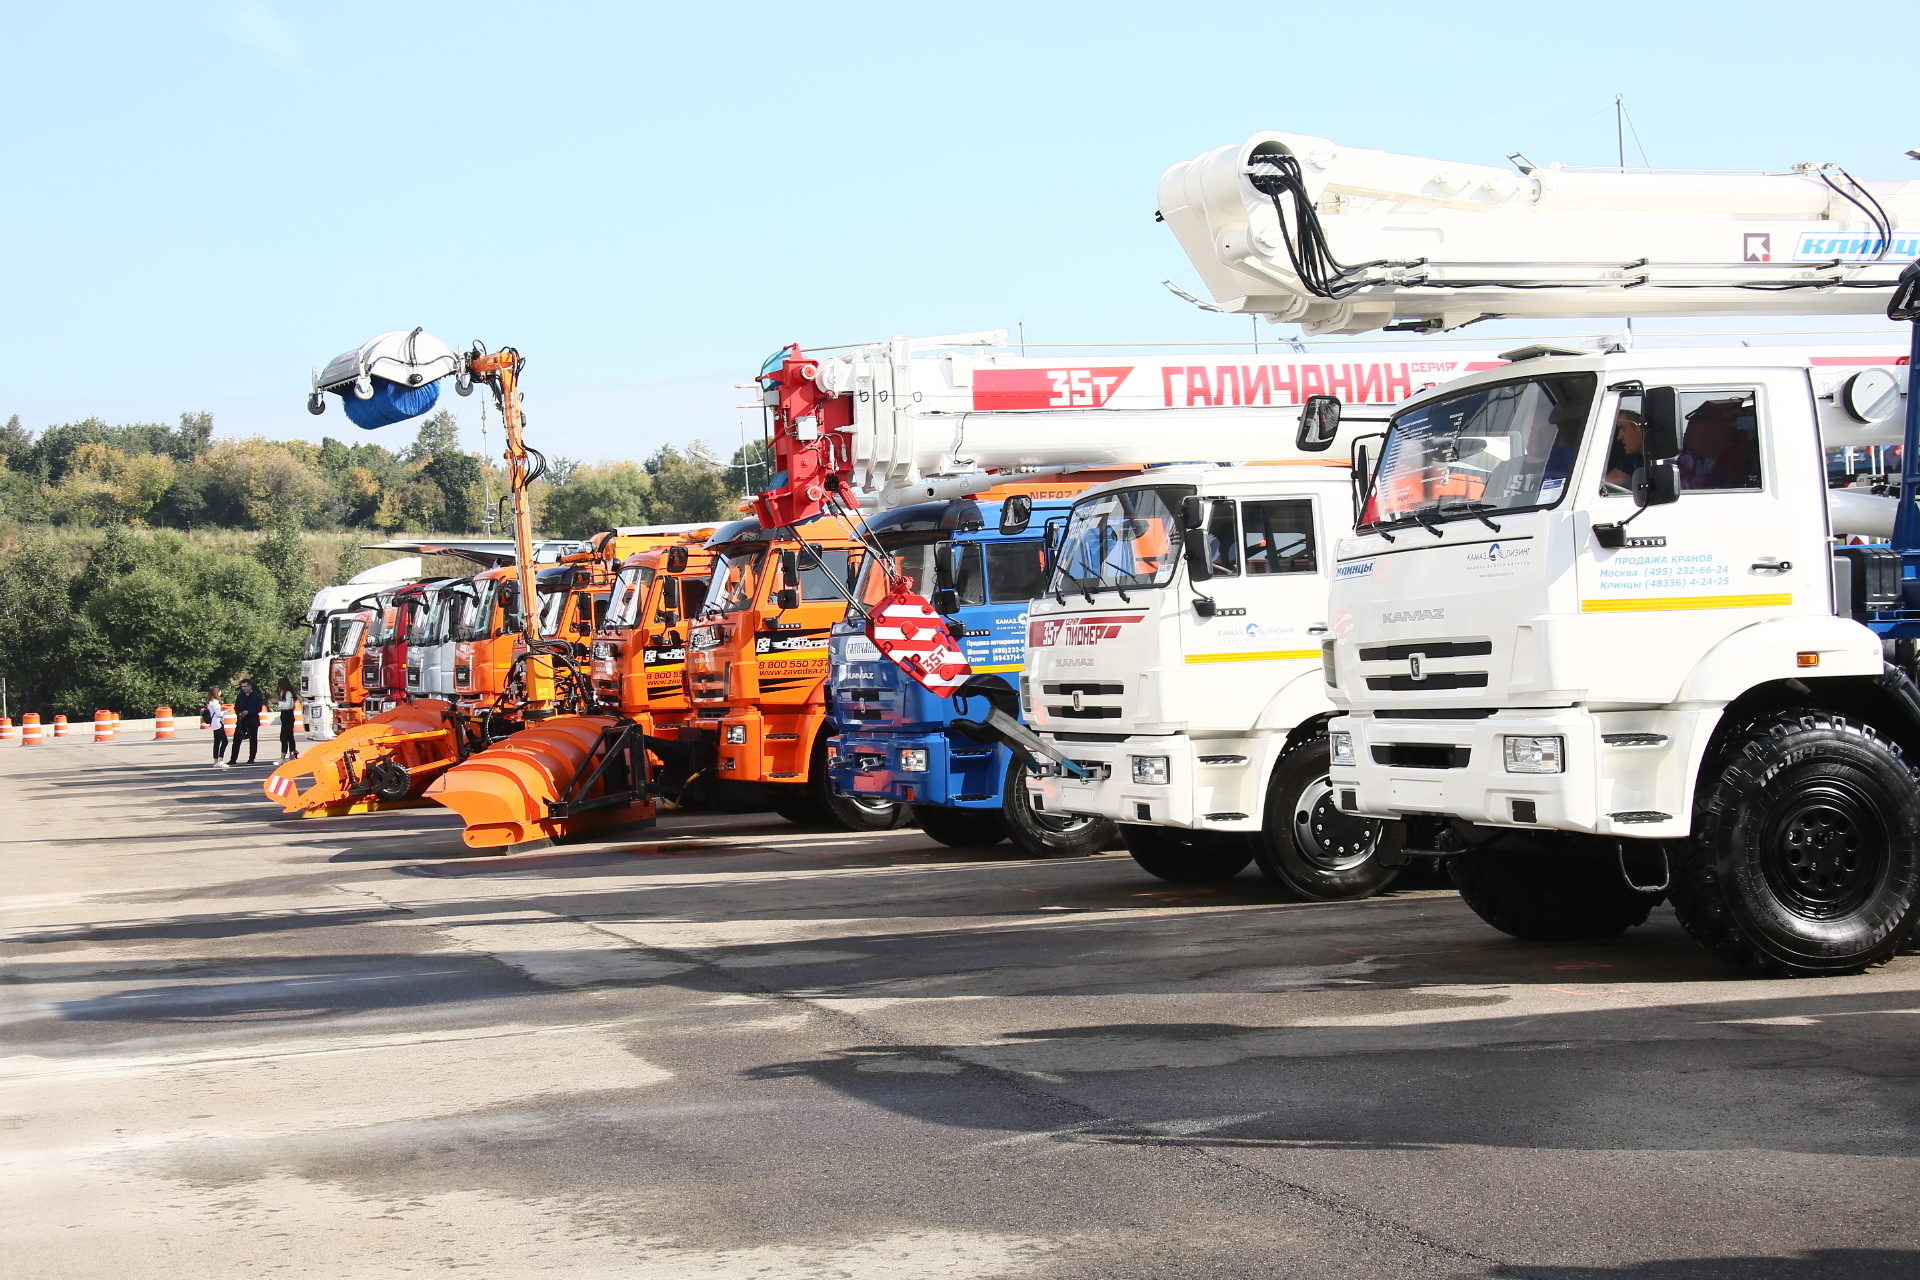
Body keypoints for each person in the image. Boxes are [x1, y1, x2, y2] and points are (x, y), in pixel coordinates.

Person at [1603, 409, 1647, 492]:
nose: (1619, 437)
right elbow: (1605, 484)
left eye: (1623, 428)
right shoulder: (1633, 459)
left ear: (1641, 428)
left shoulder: (1673, 461)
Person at [228, 678, 265, 766]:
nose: (244, 688)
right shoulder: (240, 696)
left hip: (252, 721)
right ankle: (233, 759)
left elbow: (259, 708)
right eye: (243, 687)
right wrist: (239, 713)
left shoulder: (256, 696)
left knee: (253, 740)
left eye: (245, 686)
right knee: (237, 739)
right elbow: (236, 707)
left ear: (250, 686)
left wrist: (249, 712)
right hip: (241, 721)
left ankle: (251, 759)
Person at [274, 677, 298, 760]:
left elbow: (288, 706)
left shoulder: (288, 693)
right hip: (286, 716)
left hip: (287, 715)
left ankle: (283, 756)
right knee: (289, 736)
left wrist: (278, 702)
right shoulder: (288, 693)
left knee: (284, 737)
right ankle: (292, 754)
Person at [206, 687, 228, 767]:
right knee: (225, 741)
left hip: (213, 724)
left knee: (217, 742)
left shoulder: (209, 702)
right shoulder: (216, 702)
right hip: (218, 723)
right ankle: (220, 760)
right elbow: (218, 714)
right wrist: (225, 712)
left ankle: (215, 761)